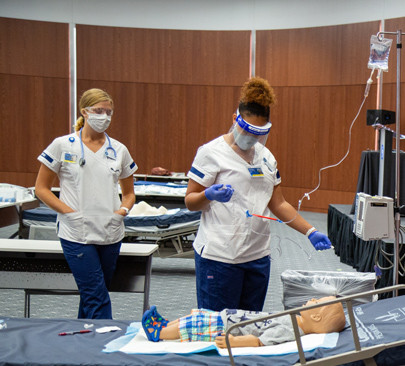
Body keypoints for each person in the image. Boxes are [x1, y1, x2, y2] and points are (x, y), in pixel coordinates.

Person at [185, 77, 332, 312]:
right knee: (217, 329)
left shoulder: (266, 157)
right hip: (220, 257)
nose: (251, 138)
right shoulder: (211, 153)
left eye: (258, 133)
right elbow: (190, 201)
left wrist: (310, 231)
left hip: (257, 257)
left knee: (249, 328)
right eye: (247, 130)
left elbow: (279, 203)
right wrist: (208, 195)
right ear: (235, 119)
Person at [34, 88, 137, 319]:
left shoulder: (119, 150)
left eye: (108, 112)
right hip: (75, 231)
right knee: (96, 296)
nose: (105, 116)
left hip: (110, 231)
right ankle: (104, 344)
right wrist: (69, 213)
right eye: (99, 110)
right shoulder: (62, 145)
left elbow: (129, 194)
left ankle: (82, 342)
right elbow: (41, 189)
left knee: (92, 294)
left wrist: (122, 211)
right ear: (85, 112)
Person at [141, 296, 346, 349]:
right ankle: (164, 325)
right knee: (197, 316)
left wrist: (233, 341)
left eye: (316, 302)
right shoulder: (295, 320)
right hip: (230, 317)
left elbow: (259, 341)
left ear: (317, 317)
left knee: (192, 325)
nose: (312, 300)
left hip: (227, 327)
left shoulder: (290, 330)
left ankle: (158, 333)